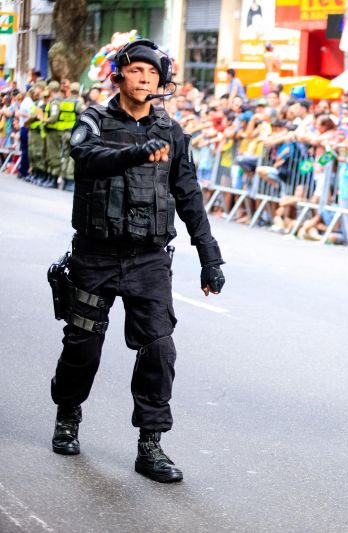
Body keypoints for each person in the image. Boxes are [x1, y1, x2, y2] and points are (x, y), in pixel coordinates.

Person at [49, 39, 226, 483]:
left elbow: (189, 196)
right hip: (96, 256)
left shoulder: (171, 132)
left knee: (159, 350)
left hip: (148, 261)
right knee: (82, 347)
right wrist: (135, 151)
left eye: (153, 72)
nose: (146, 78)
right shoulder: (92, 119)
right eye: (137, 71)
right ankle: (68, 414)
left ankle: (151, 445)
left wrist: (210, 257)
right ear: (119, 75)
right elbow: (84, 157)